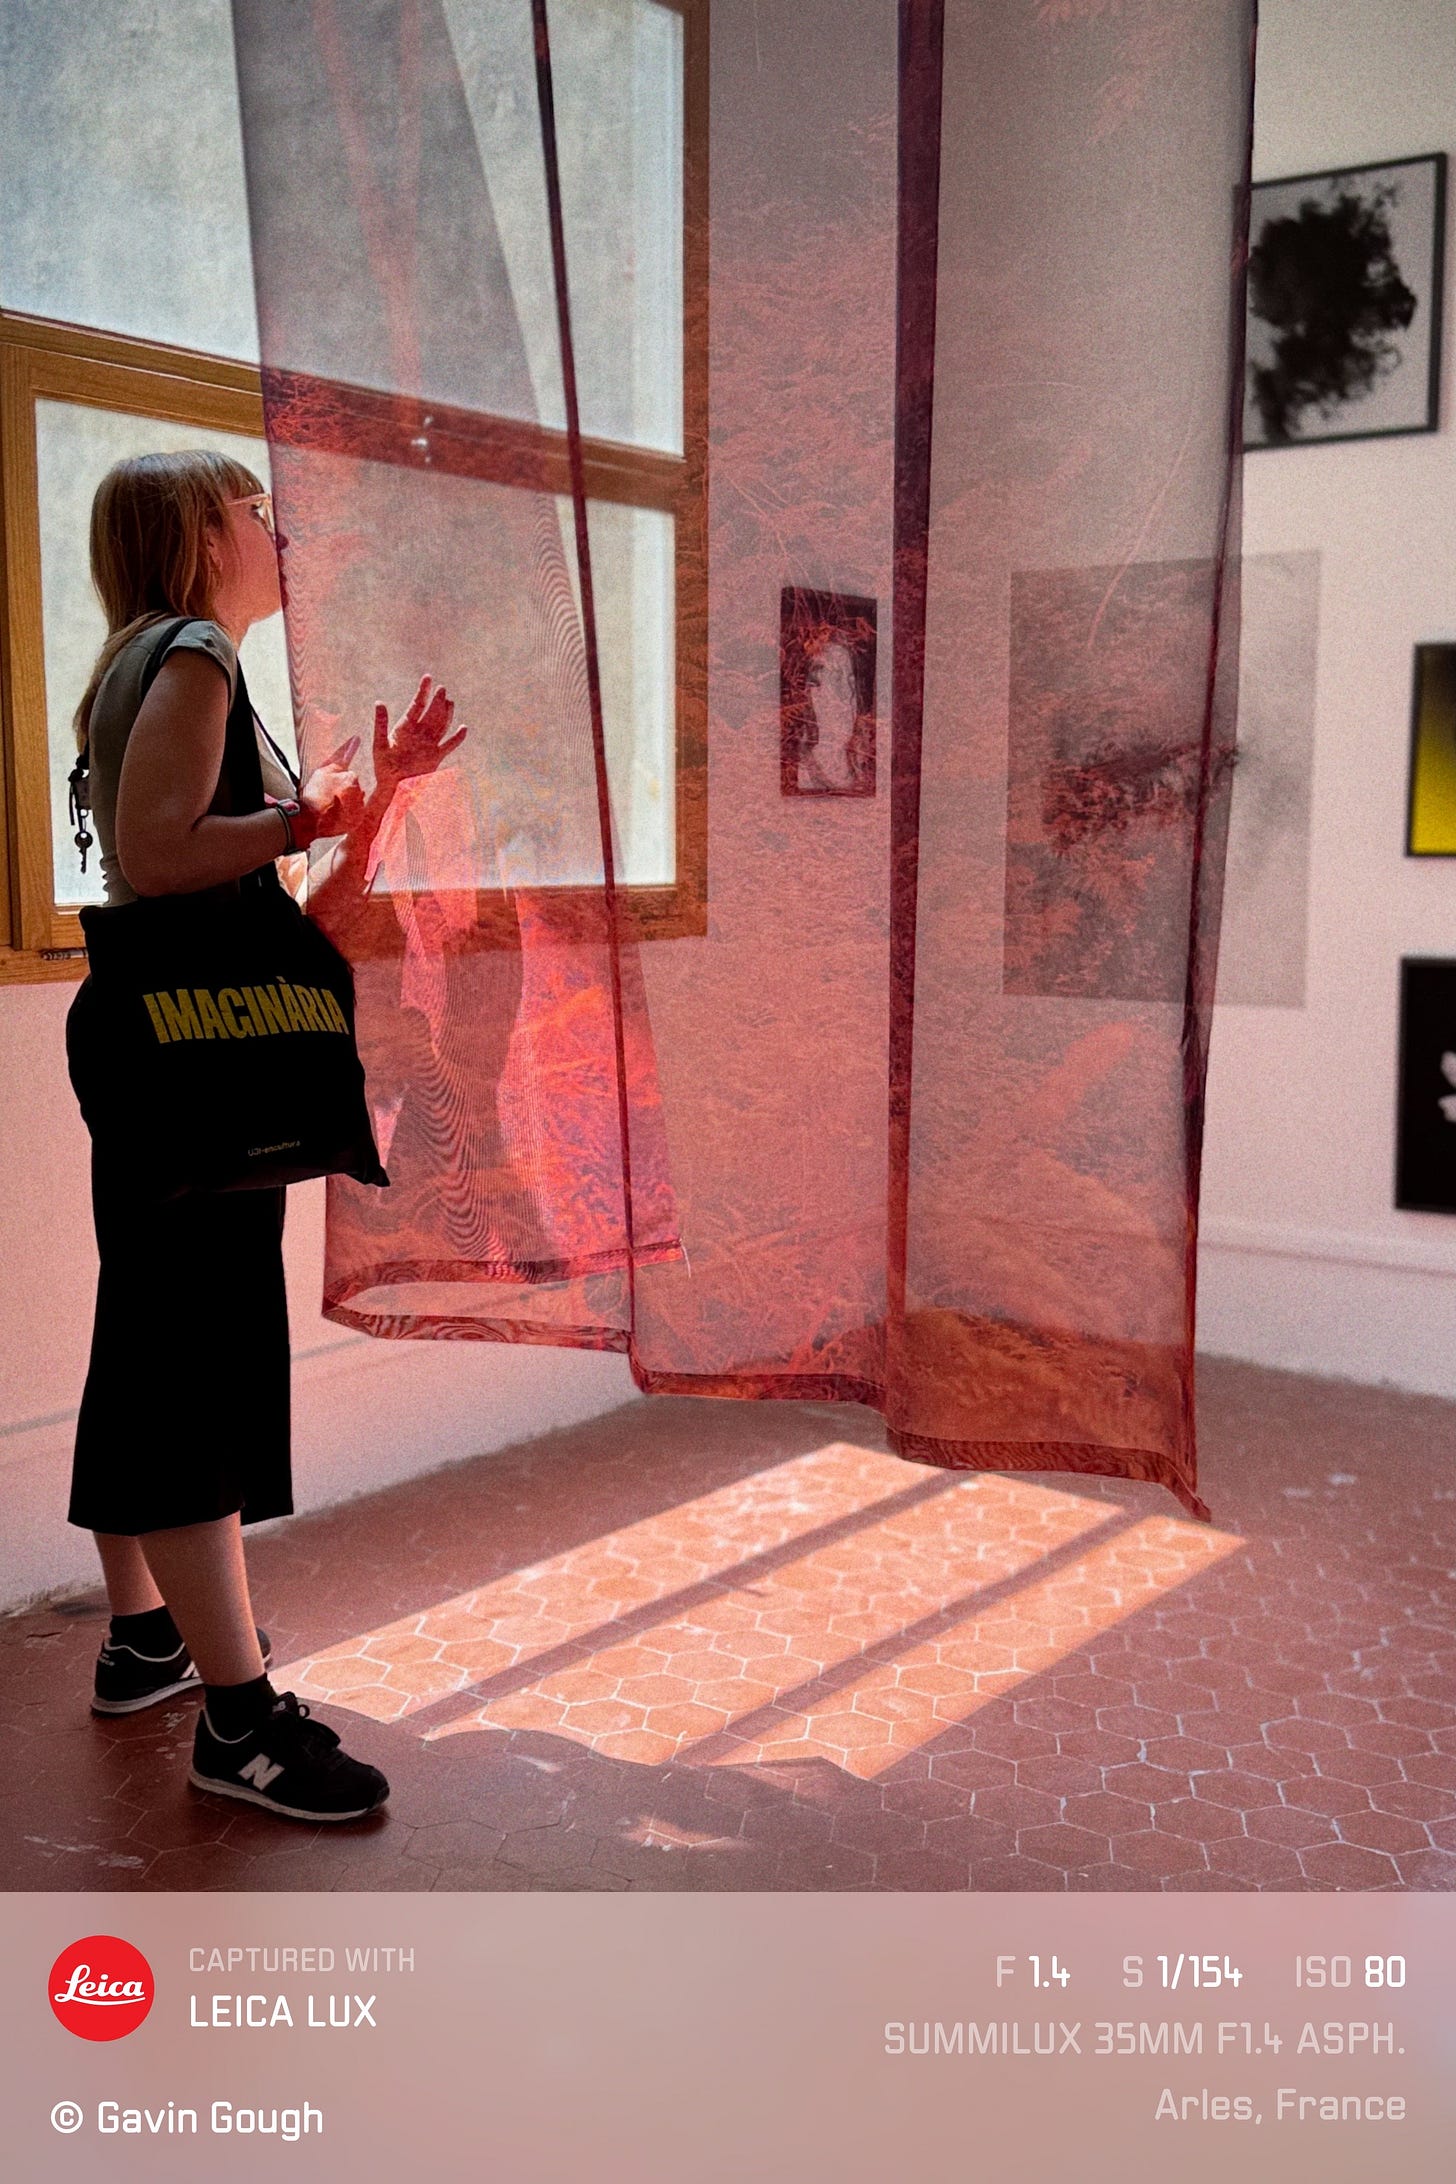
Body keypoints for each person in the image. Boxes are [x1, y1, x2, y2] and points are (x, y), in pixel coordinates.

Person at [69, 448, 462, 1824]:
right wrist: (304, 814)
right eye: (254, 508)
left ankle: (145, 1640)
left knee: (151, 1340)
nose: (277, 528)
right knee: (190, 1364)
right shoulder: (195, 655)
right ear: (198, 530)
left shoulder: (148, 668)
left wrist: (376, 796)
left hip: (168, 1050)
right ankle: (238, 1727)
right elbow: (161, 852)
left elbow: (298, 917)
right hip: (195, 1059)